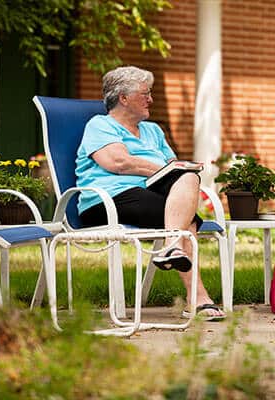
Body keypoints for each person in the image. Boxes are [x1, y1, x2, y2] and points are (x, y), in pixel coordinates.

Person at [75, 65, 225, 320]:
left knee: (188, 177)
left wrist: (179, 172)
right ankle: (197, 297)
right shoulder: (100, 125)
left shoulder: (154, 130)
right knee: (186, 219)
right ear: (123, 98)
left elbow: (175, 173)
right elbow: (119, 163)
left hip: (149, 196)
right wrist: (168, 170)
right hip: (108, 199)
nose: (151, 99)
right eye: (145, 93)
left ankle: (173, 250)